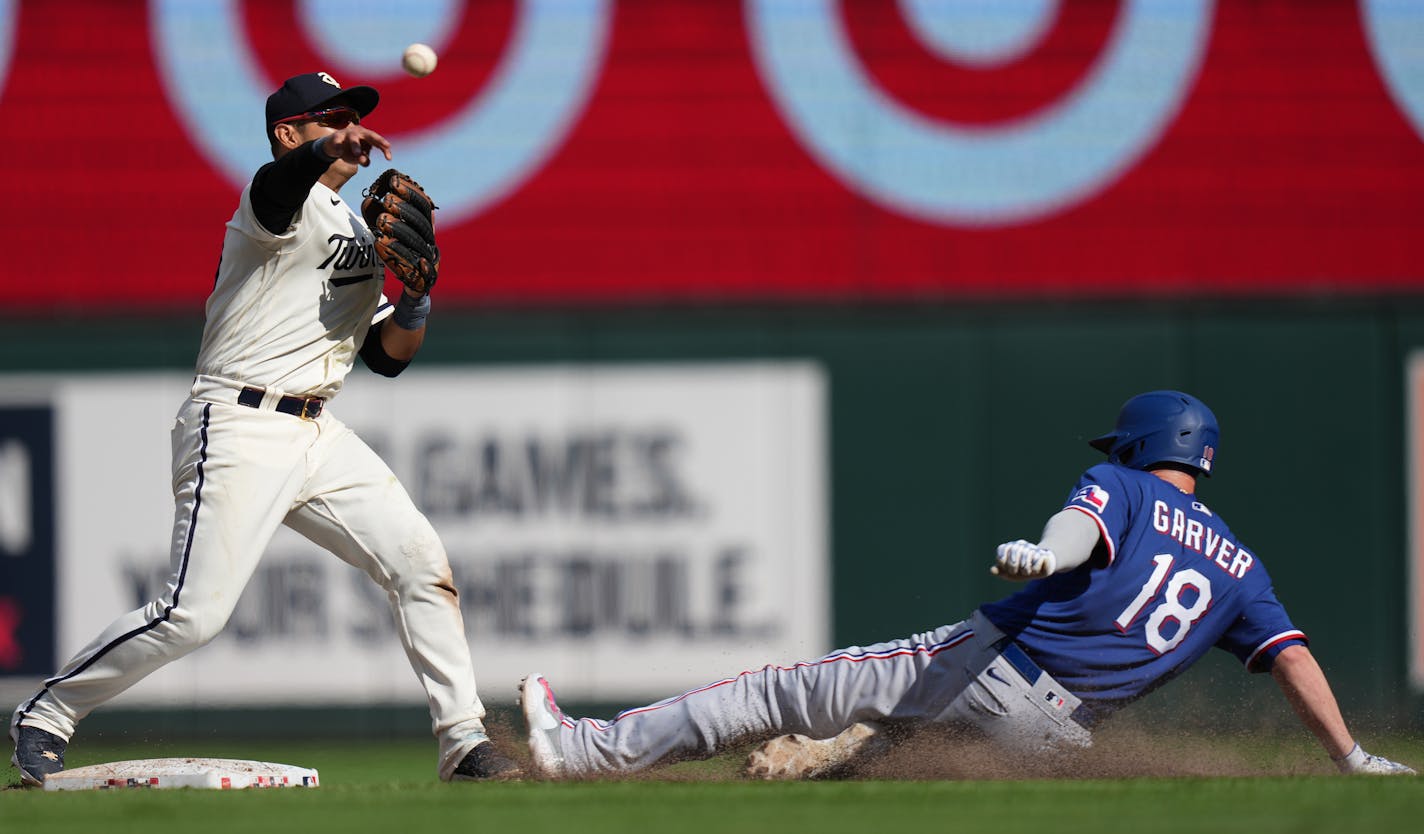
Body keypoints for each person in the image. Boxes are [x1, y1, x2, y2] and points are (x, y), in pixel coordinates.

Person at [10, 72, 519, 786]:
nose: (350, 129)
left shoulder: (355, 228)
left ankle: (464, 742)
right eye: (331, 118)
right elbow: (278, 187)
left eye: (355, 117)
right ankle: (46, 713)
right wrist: (321, 153)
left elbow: (387, 359)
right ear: (289, 134)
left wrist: (417, 299)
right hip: (238, 420)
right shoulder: (268, 206)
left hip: (316, 430)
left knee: (419, 562)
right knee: (193, 616)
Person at [517, 390, 1414, 779]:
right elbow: (1291, 658)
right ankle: (839, 761)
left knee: (770, 692)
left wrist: (1046, 553)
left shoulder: (1130, 488)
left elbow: (1079, 530)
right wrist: (1347, 755)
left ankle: (578, 753)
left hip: (993, 670)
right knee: (875, 766)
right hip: (1060, 741)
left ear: (1142, 449)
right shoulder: (1241, 567)